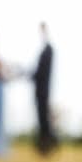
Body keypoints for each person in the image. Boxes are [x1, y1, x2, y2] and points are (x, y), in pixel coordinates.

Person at [32, 22, 58, 154]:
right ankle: (45, 145)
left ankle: (48, 145)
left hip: (43, 90)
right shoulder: (45, 49)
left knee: (44, 119)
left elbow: (41, 73)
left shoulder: (48, 49)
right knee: (42, 118)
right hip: (40, 90)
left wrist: (30, 75)